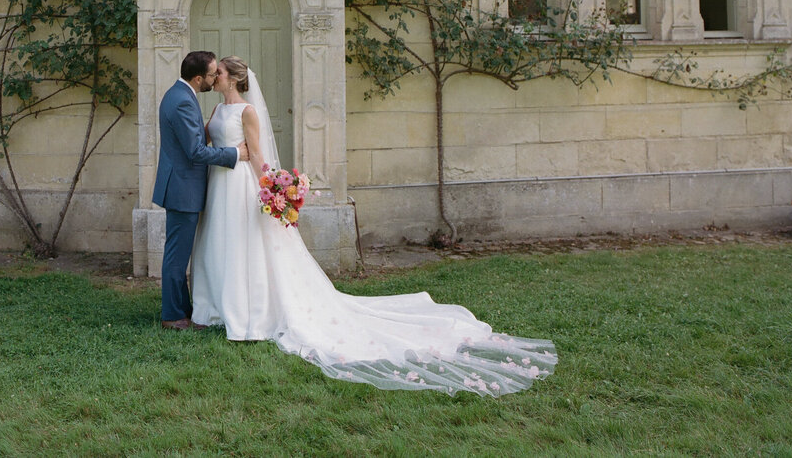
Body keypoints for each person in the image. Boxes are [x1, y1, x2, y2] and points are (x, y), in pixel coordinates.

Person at [190, 55, 558, 397]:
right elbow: (209, 141)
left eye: (219, 72)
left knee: (246, 244)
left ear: (235, 78)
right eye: (214, 72)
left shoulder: (247, 111)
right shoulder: (219, 108)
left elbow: (256, 155)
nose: (214, 76)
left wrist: (270, 189)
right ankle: (222, 306)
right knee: (225, 242)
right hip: (220, 183)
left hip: (242, 184)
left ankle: (250, 312)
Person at [153, 50, 249, 331]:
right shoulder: (182, 101)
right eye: (210, 74)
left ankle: (183, 309)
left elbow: (194, 138)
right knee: (177, 254)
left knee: (180, 252)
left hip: (183, 186)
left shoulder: (181, 95)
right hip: (182, 188)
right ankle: (172, 316)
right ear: (197, 78)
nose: (214, 78)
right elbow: (195, 152)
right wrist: (233, 153)